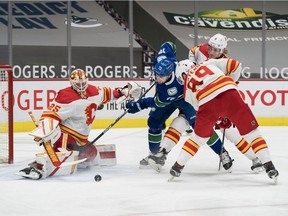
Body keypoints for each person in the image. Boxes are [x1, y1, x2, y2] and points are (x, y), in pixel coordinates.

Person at [18, 68, 142, 179]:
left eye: (83, 83)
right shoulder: (65, 95)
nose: (81, 86)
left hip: (81, 139)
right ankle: (38, 166)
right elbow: (50, 115)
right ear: (72, 83)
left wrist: (123, 91)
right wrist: (43, 130)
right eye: (78, 84)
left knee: (93, 157)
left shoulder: (94, 91)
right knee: (64, 150)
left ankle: (74, 159)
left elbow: (109, 93)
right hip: (66, 135)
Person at [169, 58, 279, 182]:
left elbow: (200, 108)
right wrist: (233, 84)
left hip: (206, 102)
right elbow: (236, 65)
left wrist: (219, 118)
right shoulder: (207, 63)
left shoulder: (186, 90)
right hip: (229, 92)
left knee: (198, 139)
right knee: (253, 133)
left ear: (183, 74)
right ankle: (269, 166)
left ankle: (177, 166)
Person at [126, 57, 233, 171]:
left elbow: (157, 102)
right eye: (156, 74)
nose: (158, 78)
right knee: (153, 121)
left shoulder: (170, 89)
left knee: (201, 127)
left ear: (170, 74)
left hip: (185, 100)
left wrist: (139, 104)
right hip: (169, 99)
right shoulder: (172, 66)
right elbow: (169, 45)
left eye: (161, 76)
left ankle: (222, 153)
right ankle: (155, 154)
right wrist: (165, 56)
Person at [189, 33, 263, 172]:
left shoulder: (225, 63)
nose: (211, 52)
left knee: (231, 134)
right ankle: (222, 153)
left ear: (222, 51)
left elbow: (233, 77)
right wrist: (192, 64)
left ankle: (255, 159)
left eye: (216, 50)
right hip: (202, 101)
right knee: (199, 132)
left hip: (218, 102)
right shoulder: (201, 50)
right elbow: (192, 51)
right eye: (210, 48)